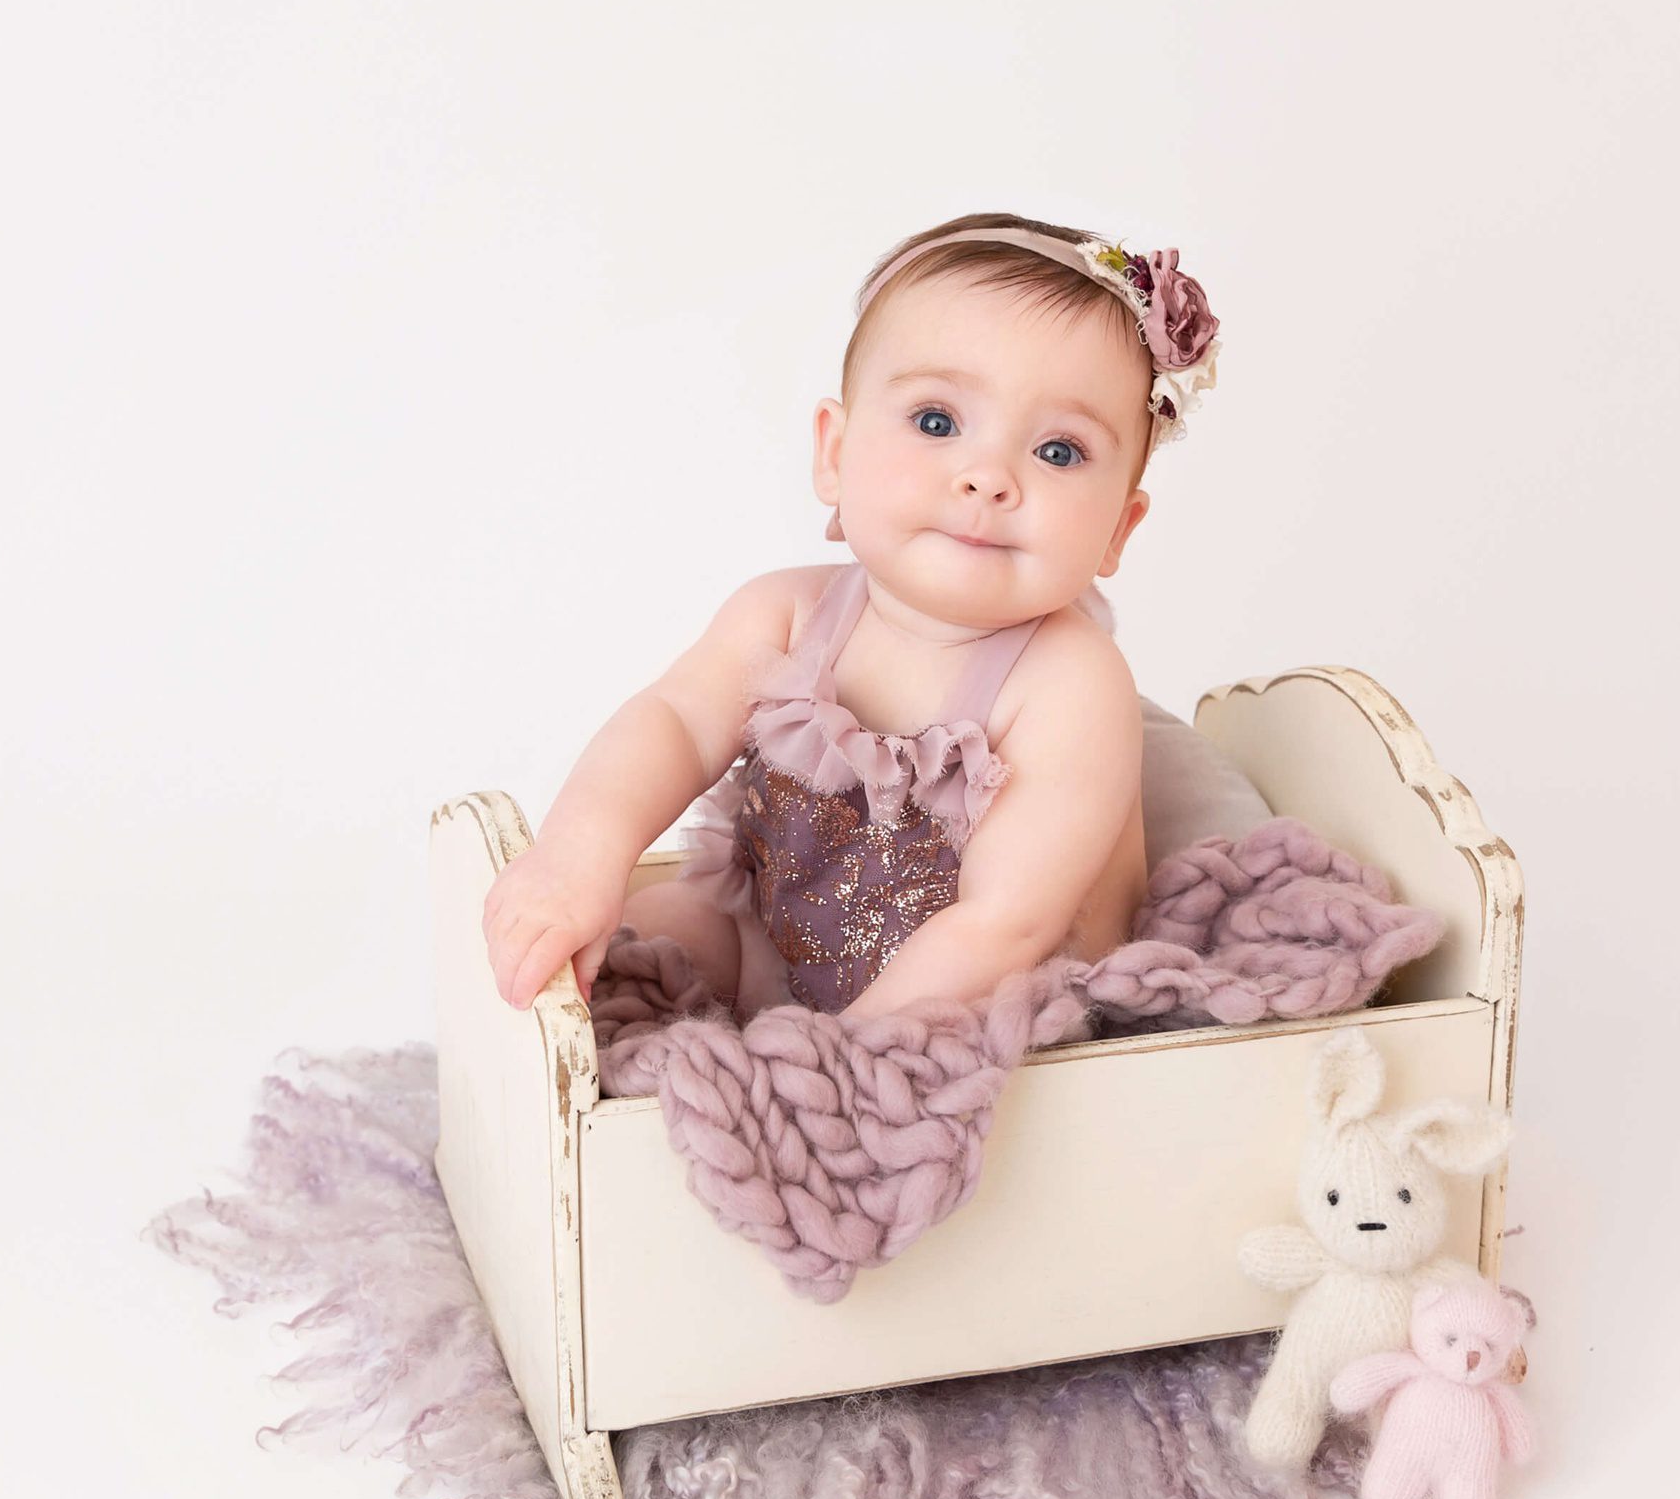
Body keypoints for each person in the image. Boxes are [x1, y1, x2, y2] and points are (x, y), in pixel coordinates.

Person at [481, 212, 1221, 1019]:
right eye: (937, 422)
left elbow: (1006, 925)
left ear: (1118, 527)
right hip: (782, 956)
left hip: (985, 1011)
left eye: (1058, 452)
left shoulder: (1069, 684)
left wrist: (840, 1059)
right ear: (834, 453)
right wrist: (582, 855)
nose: (987, 477)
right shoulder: (787, 615)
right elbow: (674, 723)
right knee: (630, 936)